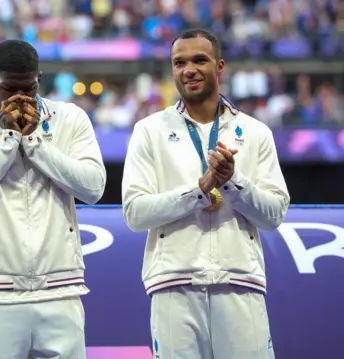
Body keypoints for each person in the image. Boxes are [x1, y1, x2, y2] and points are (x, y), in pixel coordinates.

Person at [122, 29, 290, 359]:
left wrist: (232, 181)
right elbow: (135, 214)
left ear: (220, 66)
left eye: (200, 60)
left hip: (240, 281)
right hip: (173, 284)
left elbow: (274, 215)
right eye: (179, 62)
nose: (189, 69)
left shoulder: (256, 132)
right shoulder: (149, 131)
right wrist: (199, 190)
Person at [0, 39, 106, 359]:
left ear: (39, 79)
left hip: (61, 288)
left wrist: (34, 142)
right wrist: (7, 140)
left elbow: (93, 188)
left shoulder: (70, 118)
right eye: (8, 89)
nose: (19, 98)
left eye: (28, 88)